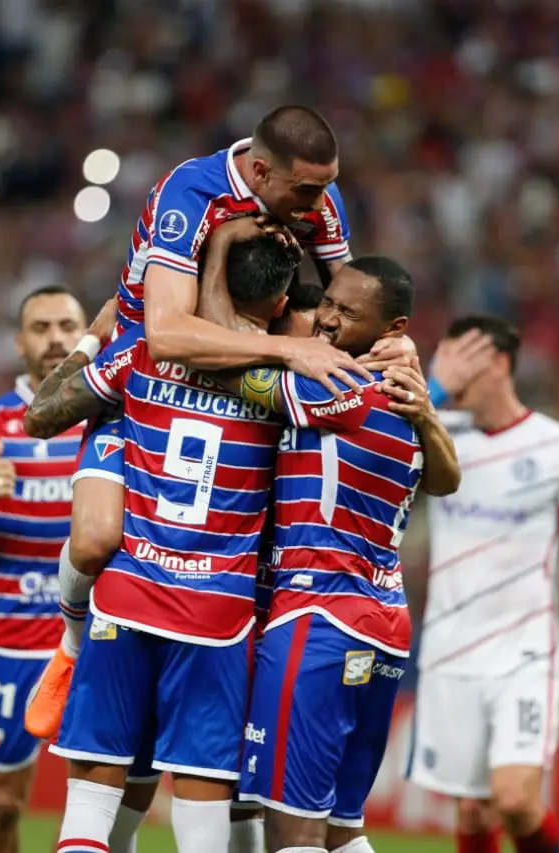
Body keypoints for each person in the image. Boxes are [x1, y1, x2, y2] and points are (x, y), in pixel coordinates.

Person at [25, 104, 423, 741]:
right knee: (98, 539)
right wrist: (286, 348)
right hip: (147, 380)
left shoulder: (315, 199)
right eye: (308, 189)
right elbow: (171, 334)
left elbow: (343, 301)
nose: (321, 203)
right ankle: (71, 646)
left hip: (243, 378)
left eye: (328, 186)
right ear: (261, 172)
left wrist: (395, 350)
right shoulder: (189, 192)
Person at [25, 234, 303, 853]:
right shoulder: (280, 381)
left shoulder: (143, 354)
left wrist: (95, 336)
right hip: (218, 616)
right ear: (282, 300)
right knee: (204, 826)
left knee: (89, 813)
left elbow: (41, 413)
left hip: (126, 600)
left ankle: (67, 644)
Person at [195, 248, 461, 853]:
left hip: (319, 619)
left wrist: (212, 266)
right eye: (331, 303)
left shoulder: (337, 389)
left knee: (294, 830)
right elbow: (446, 479)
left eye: (347, 312)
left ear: (392, 330)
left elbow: (218, 354)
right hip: (383, 626)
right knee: (344, 829)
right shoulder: (406, 397)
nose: (327, 321)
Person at [0, 286, 148, 853]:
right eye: (40, 328)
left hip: (97, 637)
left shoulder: (114, 415)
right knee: (1, 805)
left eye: (67, 326)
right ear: (20, 343)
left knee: (101, 804)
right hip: (12, 642)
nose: (56, 339)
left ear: (87, 333)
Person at [404, 315, 559, 853]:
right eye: (444, 360)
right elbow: (378, 438)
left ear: (500, 363)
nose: (452, 371)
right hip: (451, 648)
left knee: (514, 799)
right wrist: (433, 390)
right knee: (471, 811)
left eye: (464, 358)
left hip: (525, 649)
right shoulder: (433, 433)